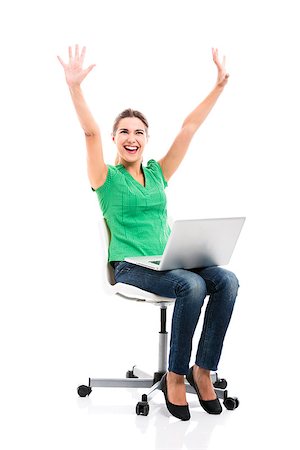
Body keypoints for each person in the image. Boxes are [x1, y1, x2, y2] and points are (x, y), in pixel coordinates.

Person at [58, 45, 239, 421]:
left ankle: (201, 370)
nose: (132, 137)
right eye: (124, 131)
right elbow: (89, 131)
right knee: (190, 285)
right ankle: (176, 376)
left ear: (146, 139)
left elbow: (189, 127)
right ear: (115, 138)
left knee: (226, 279)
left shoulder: (157, 173)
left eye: (139, 132)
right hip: (129, 265)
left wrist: (219, 86)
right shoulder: (105, 179)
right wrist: (74, 87)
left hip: (168, 260)